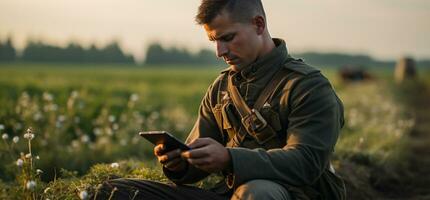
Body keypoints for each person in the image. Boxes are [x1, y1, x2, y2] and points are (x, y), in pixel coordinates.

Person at [95, 0, 346, 199]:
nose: (219, 52)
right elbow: (196, 162)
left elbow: (306, 162)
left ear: (259, 25)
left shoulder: (308, 86)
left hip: (291, 194)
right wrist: (178, 162)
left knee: (256, 193)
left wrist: (229, 158)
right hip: (227, 193)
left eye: (227, 38)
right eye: (213, 41)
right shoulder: (221, 88)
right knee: (114, 191)